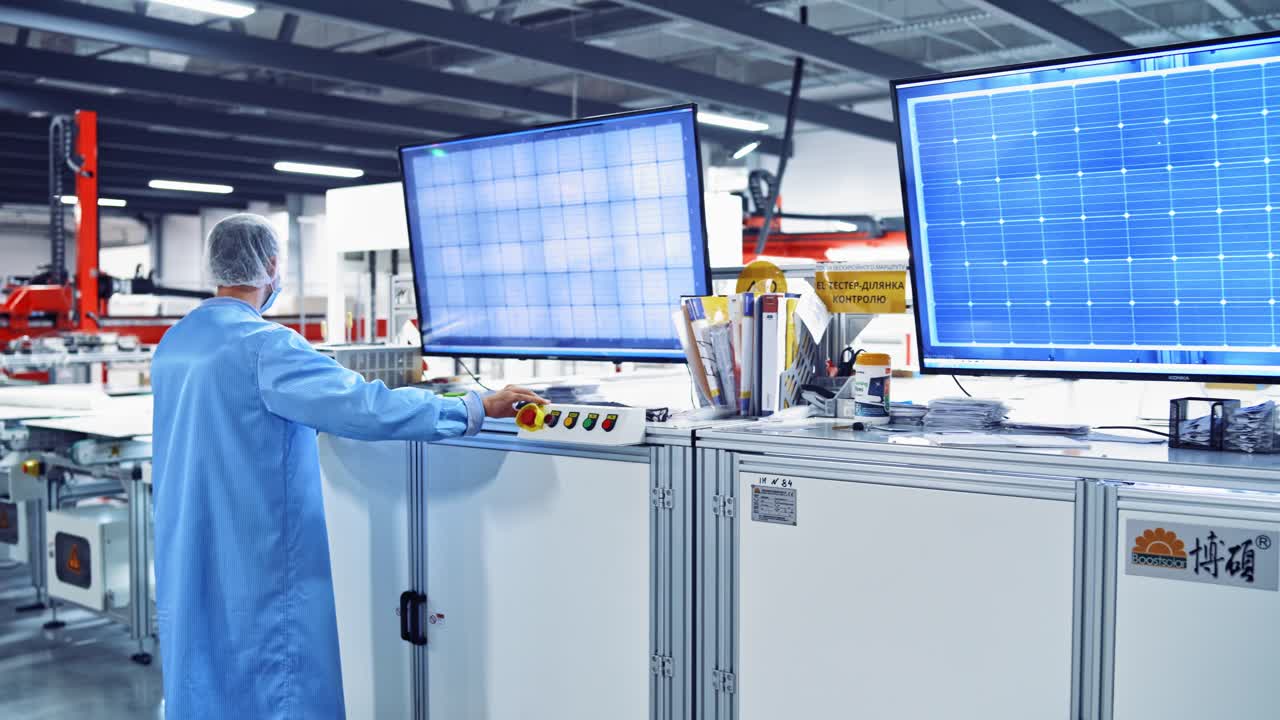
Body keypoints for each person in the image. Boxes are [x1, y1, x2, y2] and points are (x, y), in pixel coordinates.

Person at [150, 213, 544, 719]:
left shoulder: (175, 344)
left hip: (189, 548)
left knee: (204, 673)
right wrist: (470, 408)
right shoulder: (265, 347)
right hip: (257, 558)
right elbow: (363, 407)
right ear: (271, 266)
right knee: (277, 681)